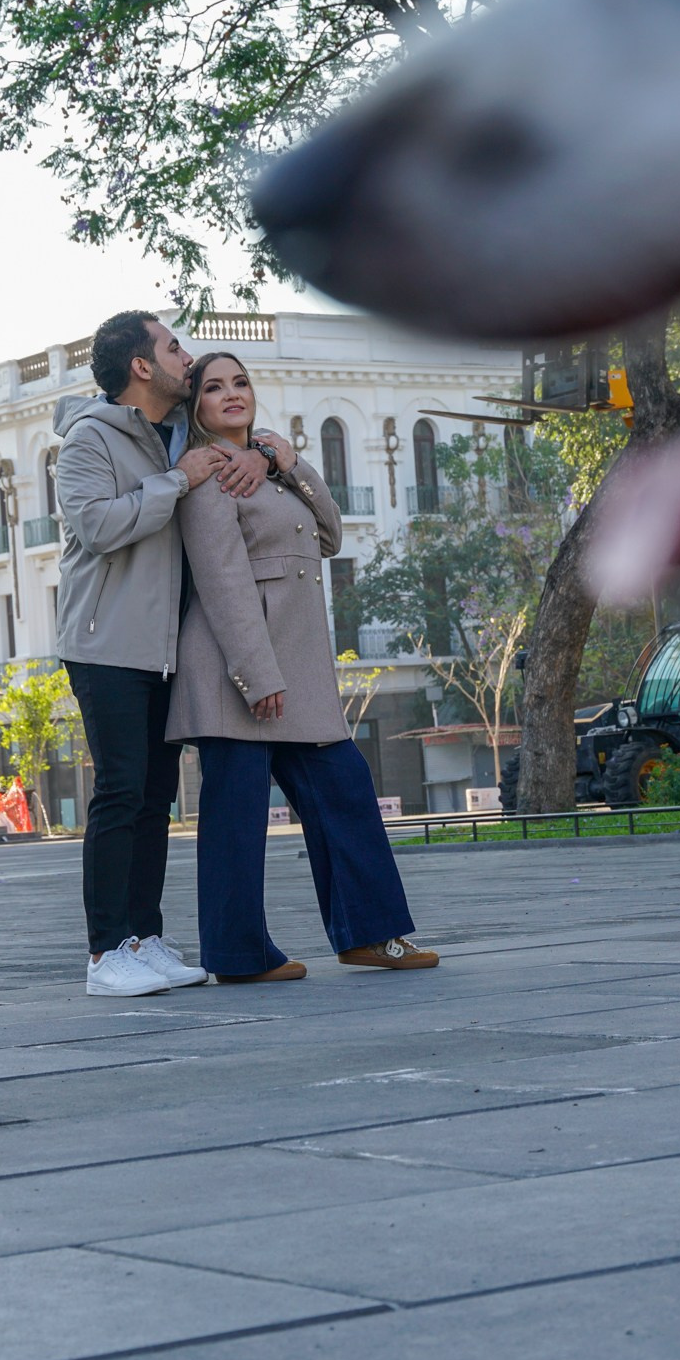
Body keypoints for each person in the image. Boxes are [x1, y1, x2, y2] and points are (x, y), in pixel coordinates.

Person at [169, 352, 438, 982]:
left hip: (300, 672)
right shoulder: (207, 475)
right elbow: (223, 581)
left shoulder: (269, 470)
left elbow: (332, 533)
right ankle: (238, 956)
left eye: (240, 382)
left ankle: (371, 934)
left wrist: (289, 461)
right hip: (238, 669)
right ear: (197, 406)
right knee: (235, 821)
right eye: (214, 387)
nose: (232, 394)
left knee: (344, 790)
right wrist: (256, 676)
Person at [55, 311, 268, 997]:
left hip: (164, 649)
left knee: (154, 799)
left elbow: (239, 437)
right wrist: (177, 481)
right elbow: (98, 525)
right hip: (106, 642)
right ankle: (102, 954)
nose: (189, 356)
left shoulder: (176, 432)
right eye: (174, 347)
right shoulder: (88, 439)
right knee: (119, 792)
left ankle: (142, 938)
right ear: (141, 366)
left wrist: (266, 452)